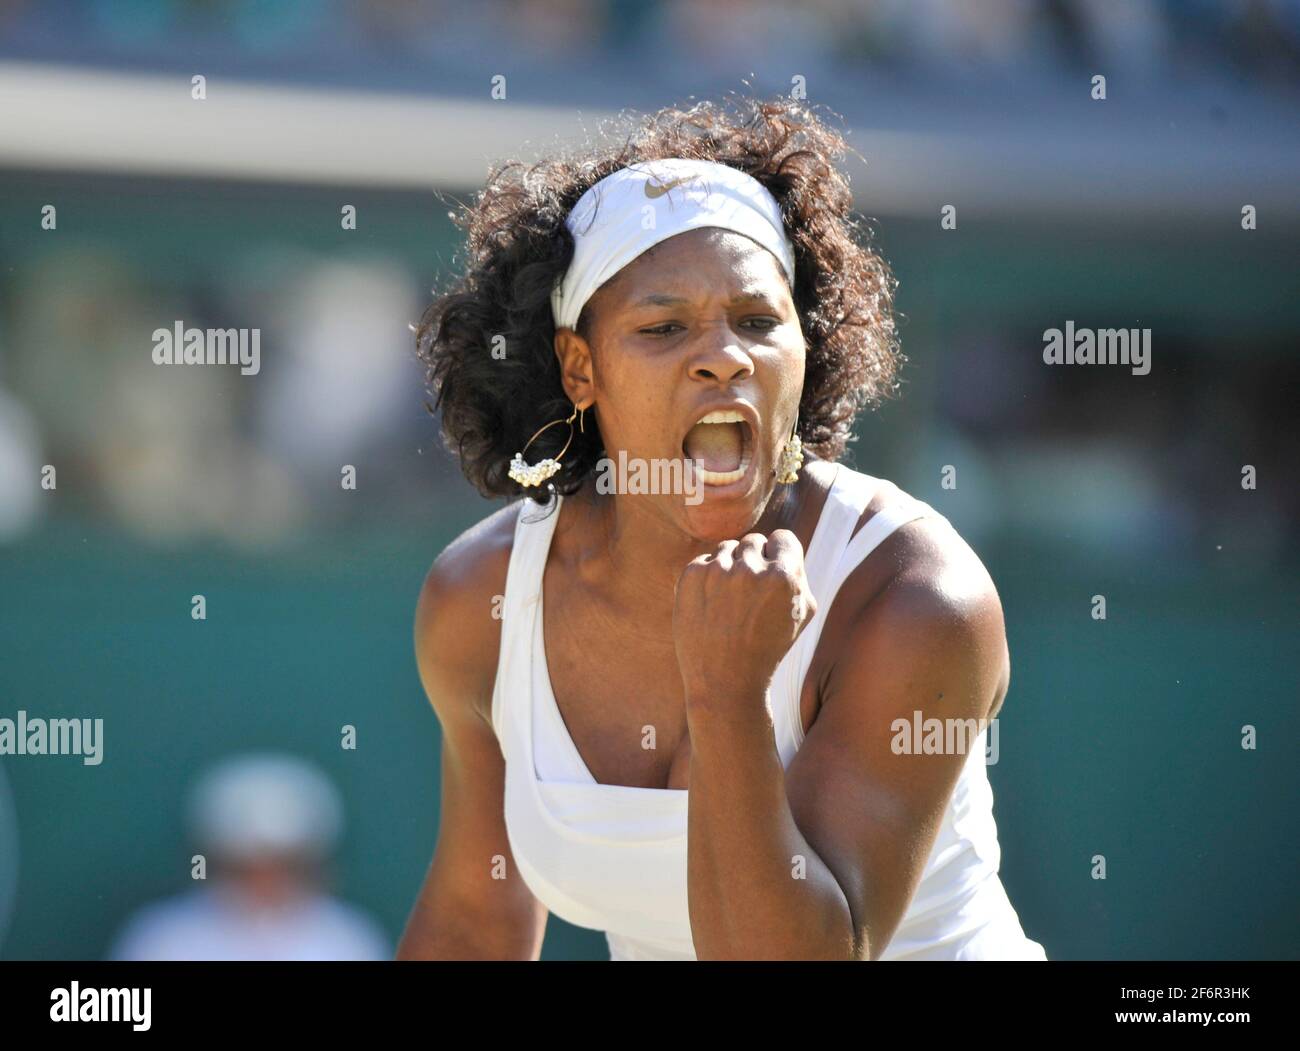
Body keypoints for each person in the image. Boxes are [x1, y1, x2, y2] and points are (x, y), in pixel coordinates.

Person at [398, 97, 1047, 961]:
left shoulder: (916, 596)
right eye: (664, 327)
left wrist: (727, 698)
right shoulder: (479, 600)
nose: (724, 356)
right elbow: (476, 926)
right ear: (578, 368)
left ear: (806, 350)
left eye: (757, 321)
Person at [109, 753, 389, 961]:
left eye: (285, 866)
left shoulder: (350, 940)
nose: (265, 883)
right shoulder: (162, 939)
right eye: (244, 868)